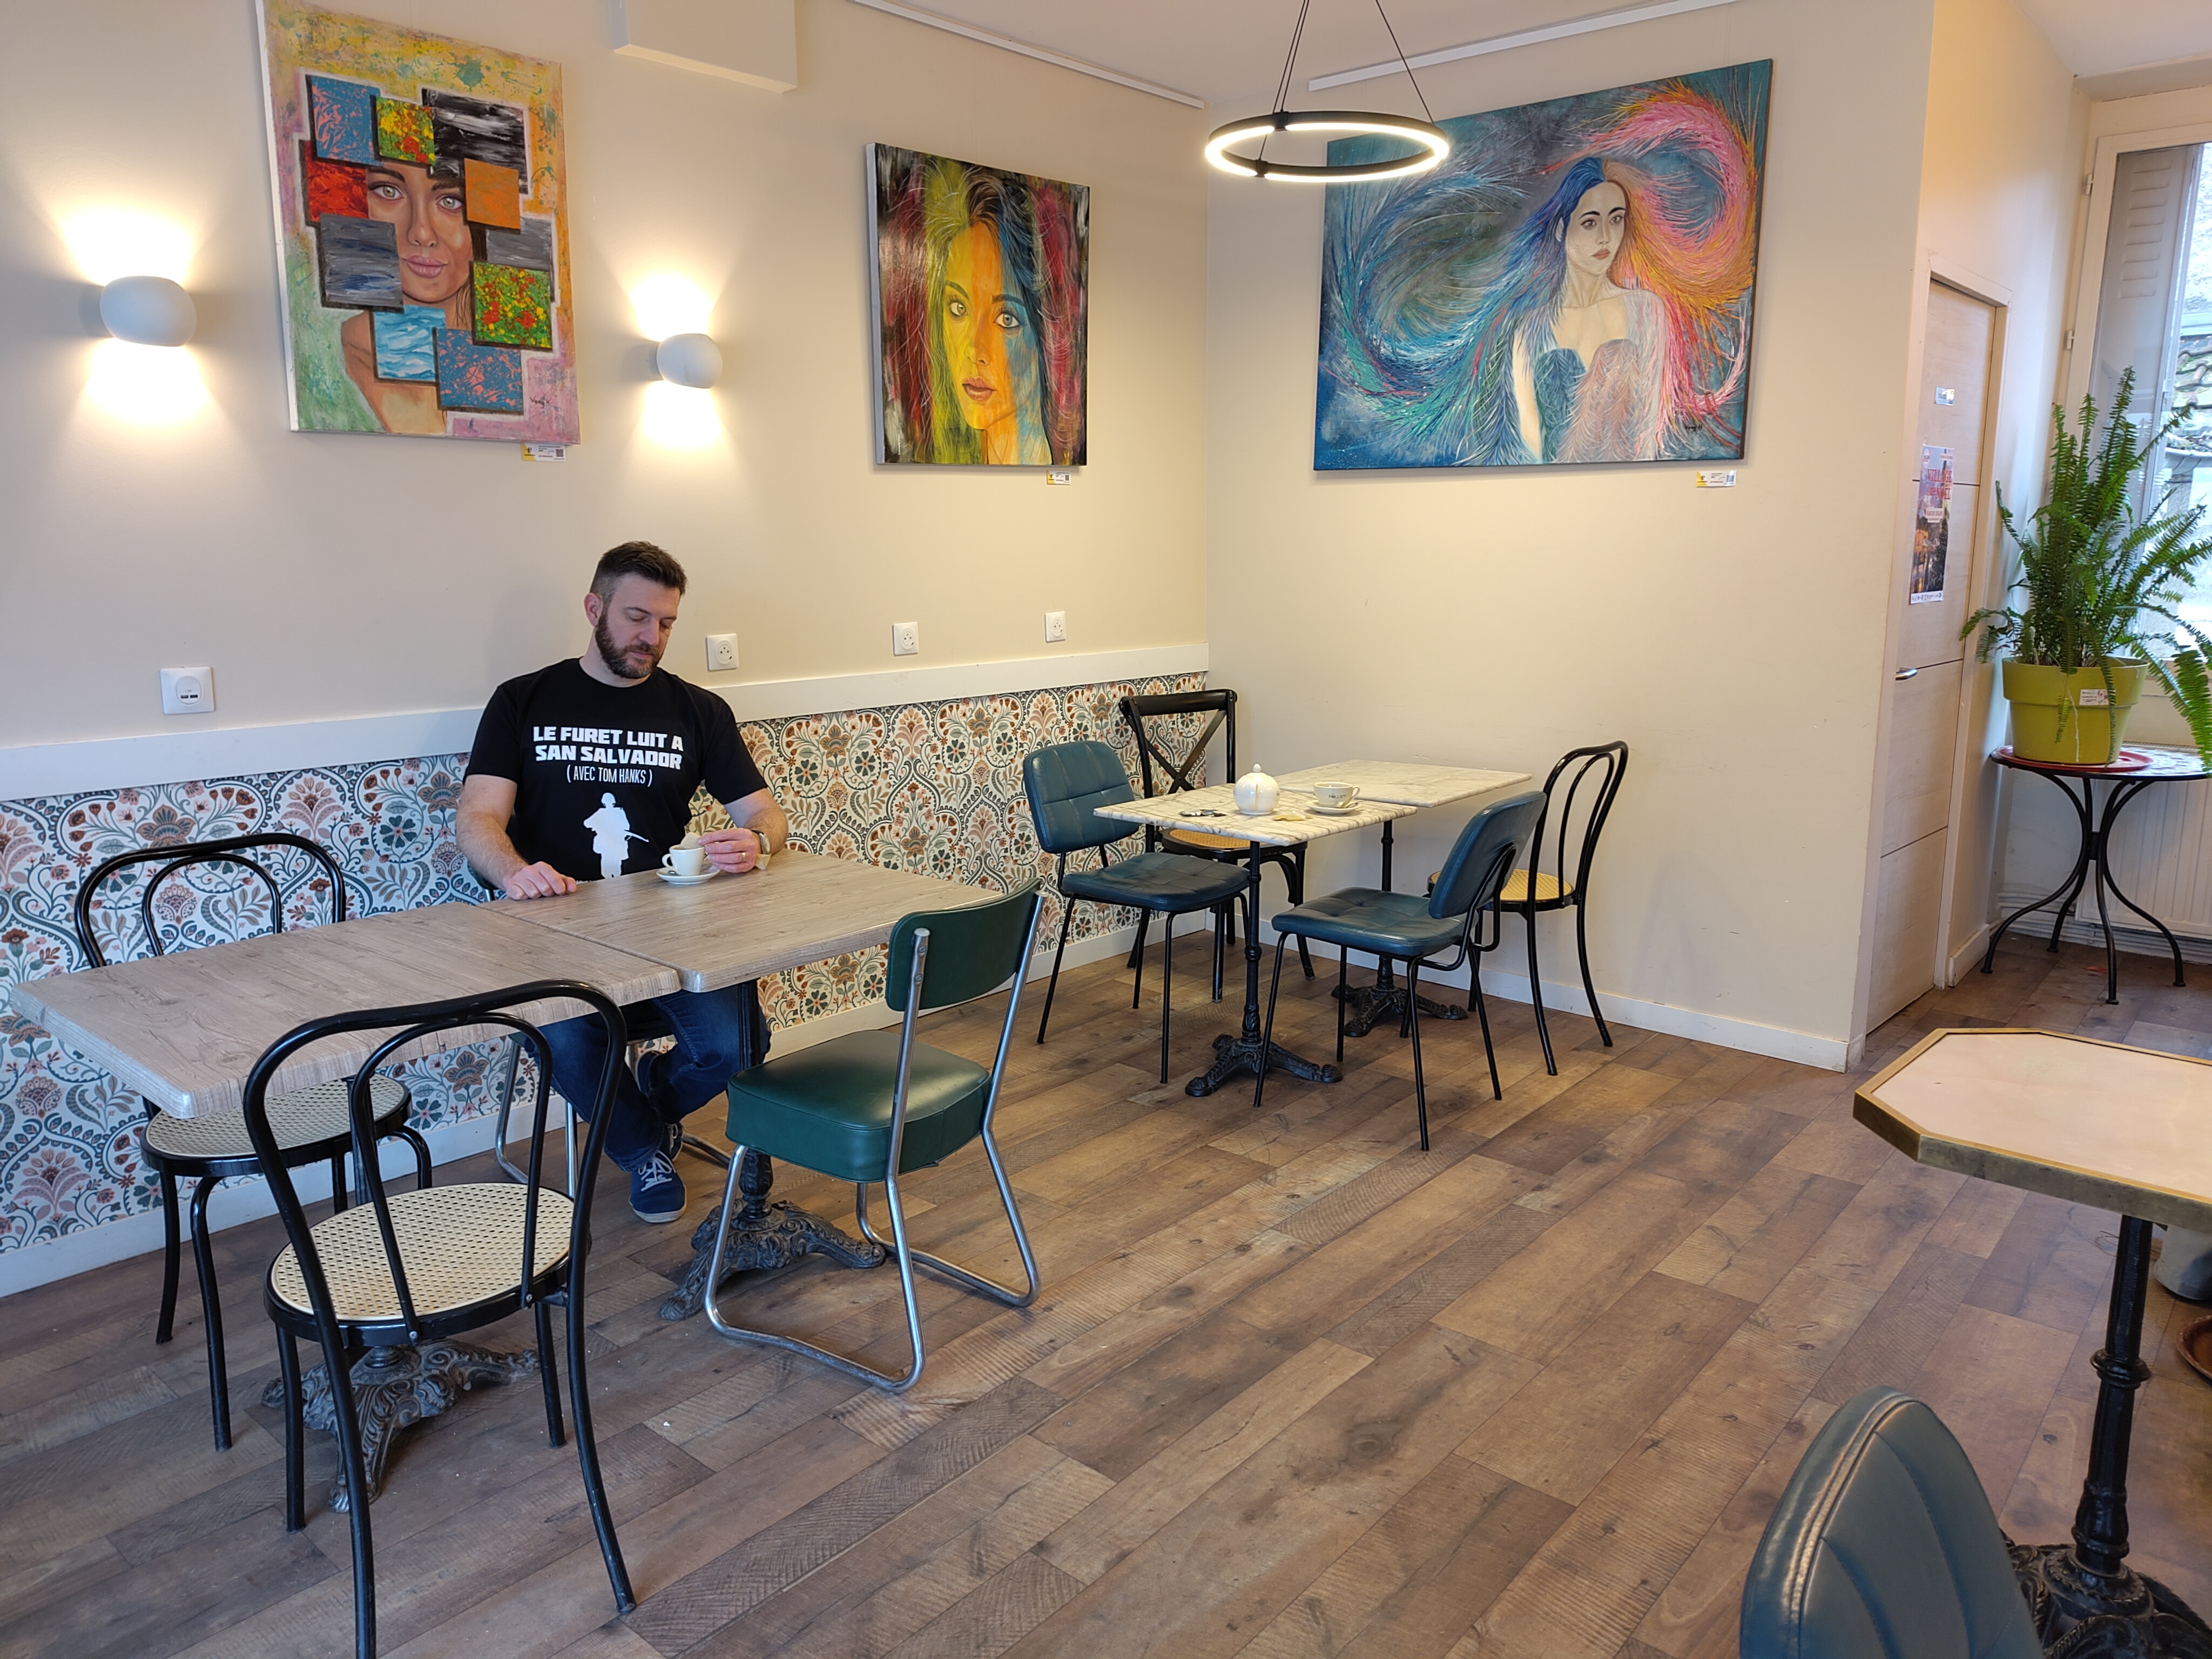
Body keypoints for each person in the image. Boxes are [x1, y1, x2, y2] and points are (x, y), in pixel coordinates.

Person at [457, 541, 789, 1223]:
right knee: (569, 1039)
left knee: (736, 1045)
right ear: (594, 608)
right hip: (553, 930)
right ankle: (642, 1149)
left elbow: (766, 814)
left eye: (666, 623)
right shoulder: (522, 700)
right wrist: (516, 872)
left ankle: (647, 1099)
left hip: (669, 928)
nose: (652, 638)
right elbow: (477, 819)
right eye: (638, 618)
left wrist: (756, 842)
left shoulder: (698, 710)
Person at [340, 158, 474, 435]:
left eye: (451, 201)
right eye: (388, 191)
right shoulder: (348, 346)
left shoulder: (513, 364)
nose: (421, 233)